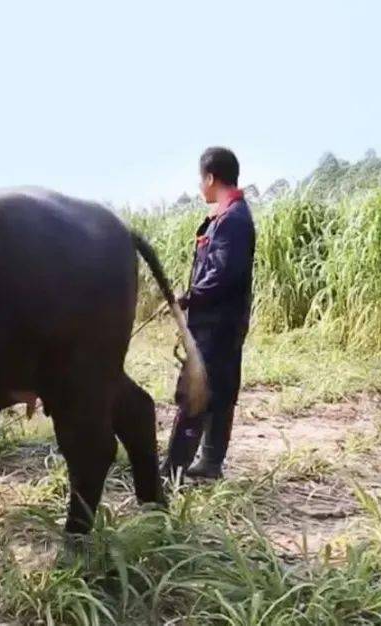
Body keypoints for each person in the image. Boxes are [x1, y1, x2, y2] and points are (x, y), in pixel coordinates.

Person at [163, 147, 255, 480]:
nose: (200, 186)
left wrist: (188, 297)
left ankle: (173, 470)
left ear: (211, 178)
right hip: (219, 323)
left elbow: (223, 273)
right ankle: (210, 464)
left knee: (197, 392)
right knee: (219, 390)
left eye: (201, 179)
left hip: (217, 324)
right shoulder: (227, 216)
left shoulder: (232, 220)